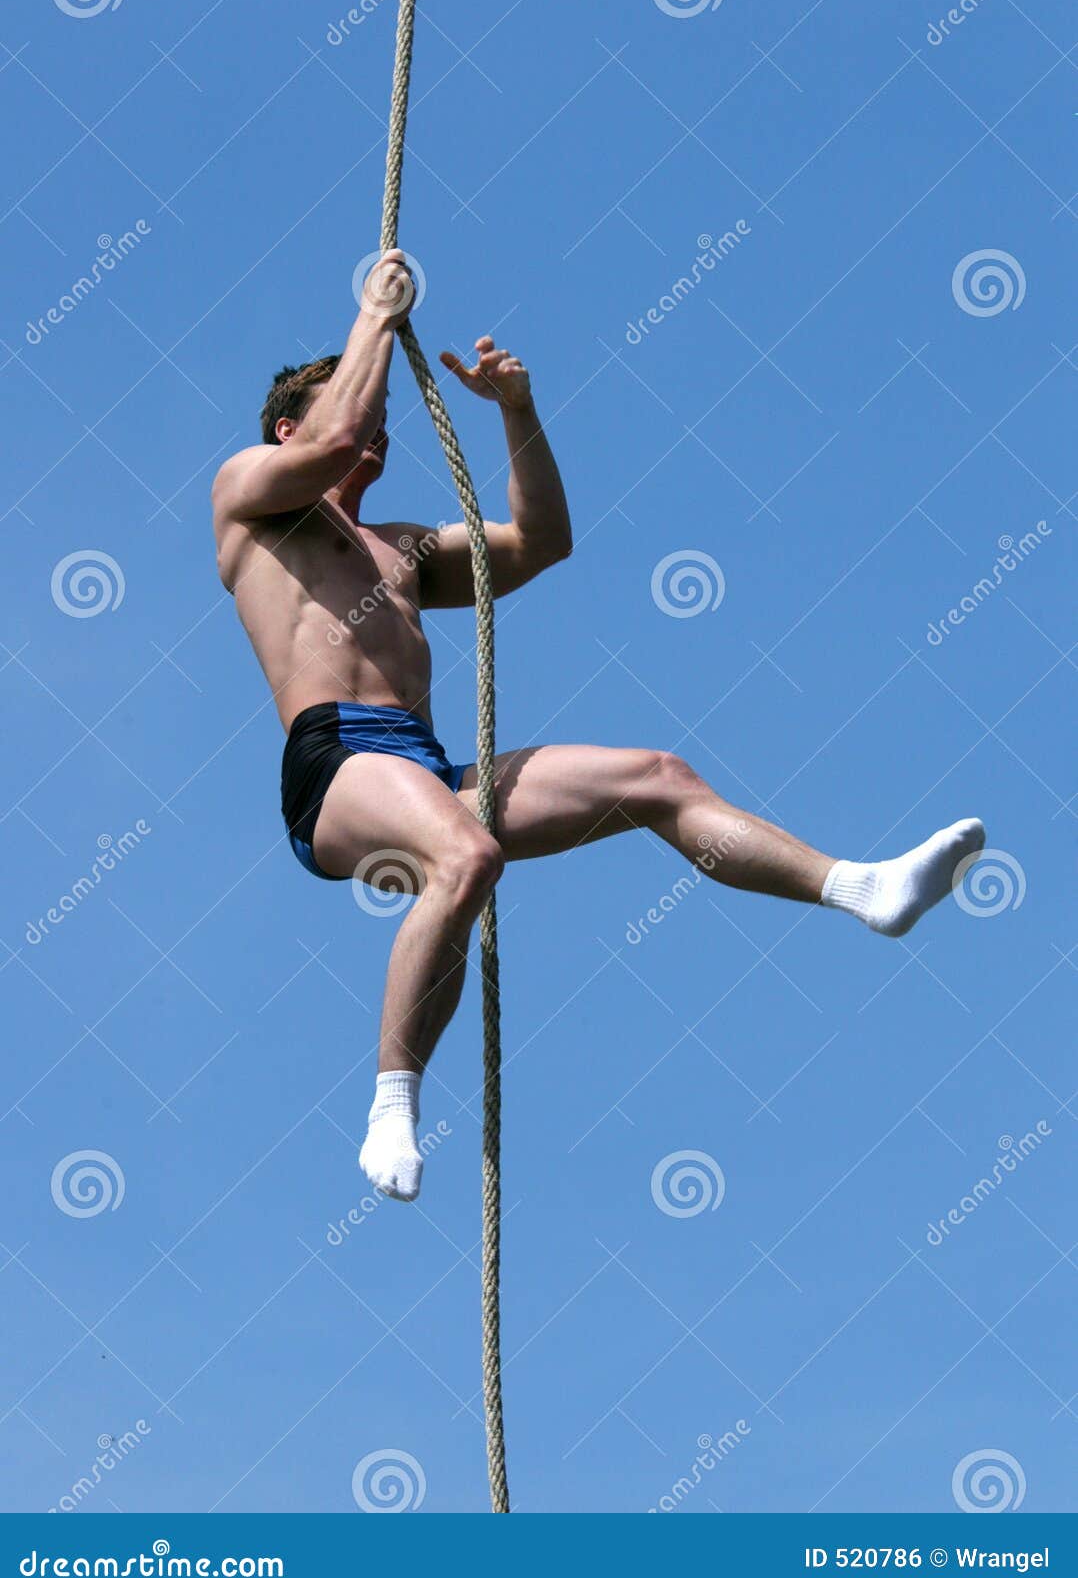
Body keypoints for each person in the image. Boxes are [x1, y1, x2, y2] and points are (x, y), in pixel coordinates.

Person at [212, 251, 985, 1202]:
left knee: (659, 776)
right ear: (289, 425)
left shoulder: (401, 549)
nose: (376, 420)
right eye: (354, 403)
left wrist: (516, 411)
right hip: (336, 764)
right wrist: (371, 315)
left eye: (377, 407)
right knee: (467, 859)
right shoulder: (250, 494)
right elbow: (327, 450)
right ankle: (390, 1107)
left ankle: (860, 888)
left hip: (425, 765)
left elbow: (542, 545)